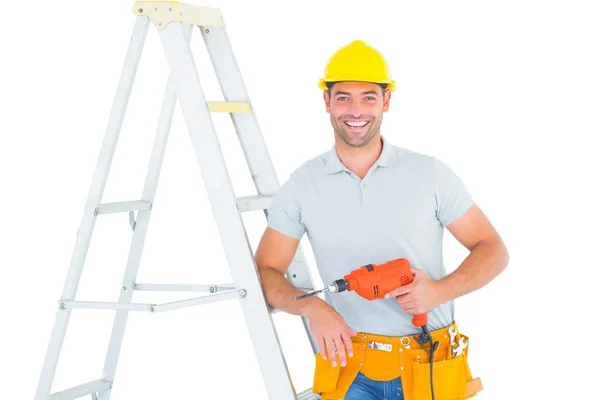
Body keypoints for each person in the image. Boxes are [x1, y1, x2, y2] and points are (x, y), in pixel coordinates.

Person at [254, 40, 509, 400]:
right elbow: (265, 271)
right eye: (343, 97)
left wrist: (439, 291)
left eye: (368, 97)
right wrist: (313, 307)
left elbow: (494, 249)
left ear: (386, 101)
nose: (355, 110)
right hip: (349, 365)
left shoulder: (429, 174)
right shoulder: (303, 183)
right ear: (326, 102)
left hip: (427, 366)